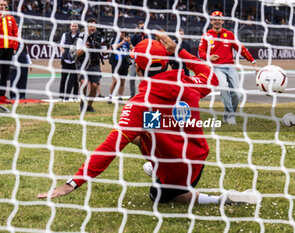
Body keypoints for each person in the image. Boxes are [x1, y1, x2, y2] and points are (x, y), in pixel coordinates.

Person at [37, 33, 262, 206]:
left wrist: (71, 183)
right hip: (197, 157)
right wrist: (180, 51)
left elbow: (109, 148)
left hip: (177, 170)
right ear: (165, 61)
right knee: (144, 129)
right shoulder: (187, 83)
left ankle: (219, 199)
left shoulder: (138, 103)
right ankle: (156, 166)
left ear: (137, 67)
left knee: (157, 195)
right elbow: (210, 75)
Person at [198, 11, 257, 125]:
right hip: (217, 68)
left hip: (230, 67)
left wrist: (252, 60)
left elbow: (241, 48)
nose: (217, 21)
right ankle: (230, 117)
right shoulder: (206, 35)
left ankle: (228, 115)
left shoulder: (229, 34)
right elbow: (200, 52)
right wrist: (208, 57)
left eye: (219, 19)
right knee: (224, 87)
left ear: (222, 21)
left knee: (237, 94)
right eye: (214, 19)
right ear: (211, 21)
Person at [76, 18, 107, 112]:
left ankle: (89, 105)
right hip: (83, 63)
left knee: (94, 86)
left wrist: (109, 47)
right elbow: (78, 53)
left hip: (95, 63)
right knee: (83, 83)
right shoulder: (81, 37)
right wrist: (85, 47)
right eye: (91, 26)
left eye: (94, 26)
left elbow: (104, 53)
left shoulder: (100, 38)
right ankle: (82, 103)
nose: (93, 28)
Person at [0, 0, 18, 104]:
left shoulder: (11, 18)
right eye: (1, 5)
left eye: (4, 5)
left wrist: (14, 46)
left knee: (5, 73)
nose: (2, 7)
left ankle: (2, 95)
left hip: (8, 50)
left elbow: (15, 33)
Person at [108, 31, 133, 103]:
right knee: (115, 80)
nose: (122, 34)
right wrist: (122, 42)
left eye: (124, 33)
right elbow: (113, 47)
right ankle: (110, 96)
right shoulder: (115, 39)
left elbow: (132, 49)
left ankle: (120, 97)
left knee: (122, 81)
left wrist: (129, 42)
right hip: (116, 62)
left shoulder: (127, 41)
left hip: (125, 62)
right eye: (121, 33)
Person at [59, 22, 79, 101]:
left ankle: (75, 96)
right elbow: (61, 45)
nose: (74, 27)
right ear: (70, 27)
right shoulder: (65, 35)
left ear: (77, 27)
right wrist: (64, 52)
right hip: (66, 61)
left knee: (75, 80)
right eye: (73, 26)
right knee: (63, 79)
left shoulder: (80, 36)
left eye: (75, 26)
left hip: (75, 61)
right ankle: (61, 97)